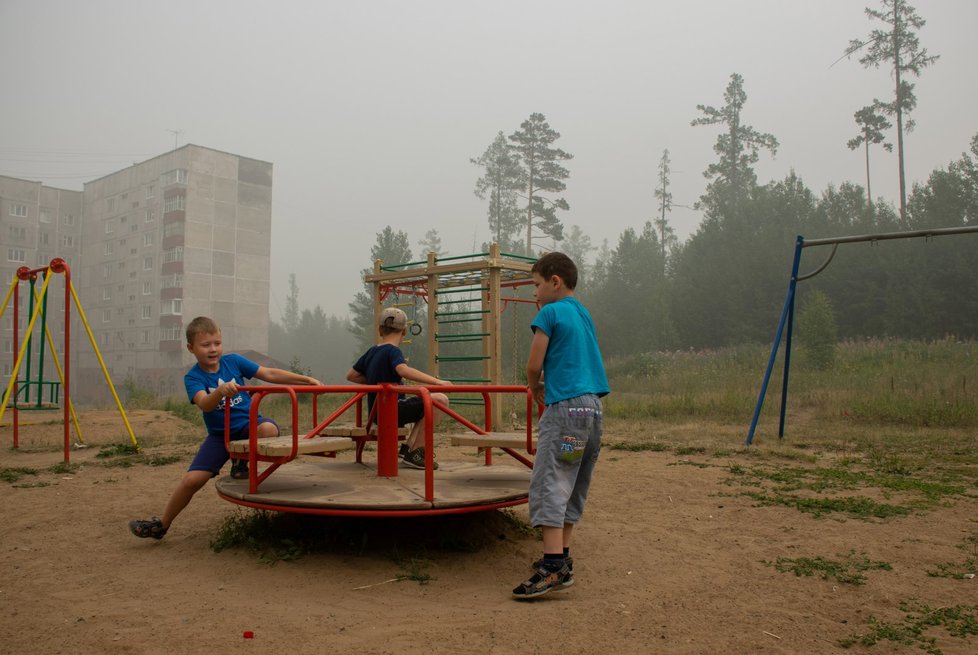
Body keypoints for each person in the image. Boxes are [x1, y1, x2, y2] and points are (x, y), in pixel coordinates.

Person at [129, 316, 320, 539]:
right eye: (205, 345)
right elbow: (204, 404)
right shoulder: (193, 377)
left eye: (217, 343)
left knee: (268, 429)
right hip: (221, 437)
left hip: (250, 427)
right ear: (191, 348)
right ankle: (161, 524)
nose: (213, 349)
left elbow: (268, 373)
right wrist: (219, 392)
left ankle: (241, 462)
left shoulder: (234, 362)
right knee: (192, 481)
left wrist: (305, 380)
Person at [511, 252, 609, 599]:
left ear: (555, 282)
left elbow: (535, 362)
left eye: (536, 285)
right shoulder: (583, 313)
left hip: (566, 409)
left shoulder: (549, 313)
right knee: (572, 477)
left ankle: (551, 568)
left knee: (552, 478)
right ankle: (562, 559)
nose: (534, 295)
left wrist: (533, 384)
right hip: (592, 412)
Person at [346, 307, 450, 470]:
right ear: (404, 332)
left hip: (376, 413)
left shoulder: (372, 351)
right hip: (392, 409)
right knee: (440, 400)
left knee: (426, 406)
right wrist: (438, 382)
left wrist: (375, 381)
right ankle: (417, 453)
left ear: (380, 330)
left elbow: (351, 375)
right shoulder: (393, 351)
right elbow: (403, 370)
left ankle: (408, 449)